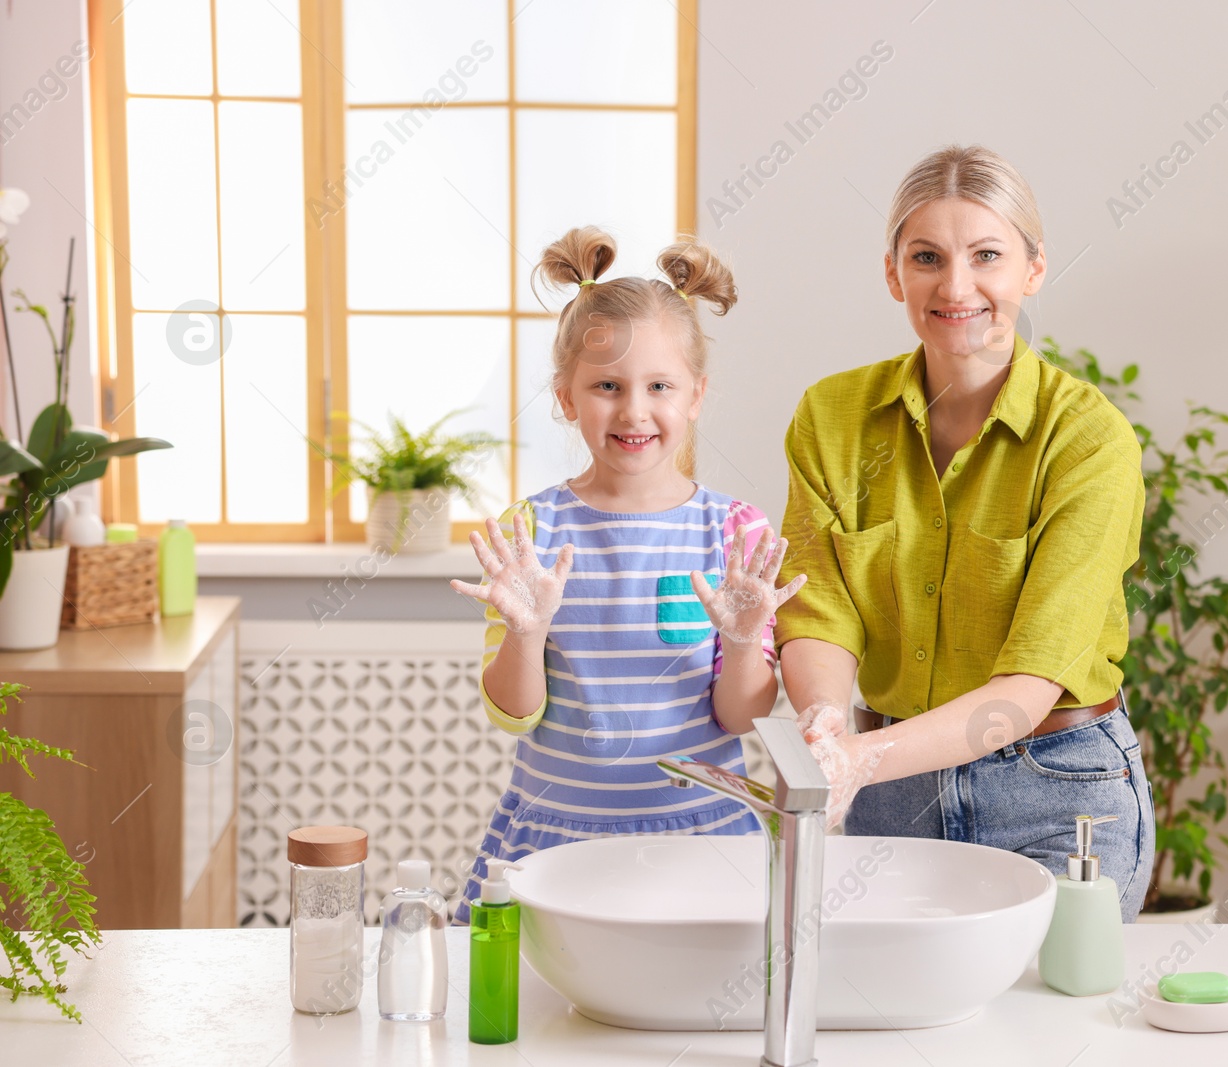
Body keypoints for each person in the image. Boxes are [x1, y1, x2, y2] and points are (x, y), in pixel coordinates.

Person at [775, 145, 1155, 921]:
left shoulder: (1088, 440)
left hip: (1057, 791)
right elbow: (821, 612)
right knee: (899, 1028)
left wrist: (852, 758)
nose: (956, 287)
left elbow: (1027, 685)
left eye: (987, 255)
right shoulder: (833, 418)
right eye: (927, 257)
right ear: (893, 274)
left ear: (1032, 268)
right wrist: (822, 719)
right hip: (889, 790)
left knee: (1048, 1030)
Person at [450, 226, 804, 923]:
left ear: (696, 394)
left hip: (701, 841)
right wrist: (527, 634)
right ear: (566, 396)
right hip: (556, 841)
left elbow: (742, 716)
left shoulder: (736, 534)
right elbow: (512, 712)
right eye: (607, 386)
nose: (635, 410)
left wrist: (741, 642)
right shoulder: (532, 532)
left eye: (660, 386)